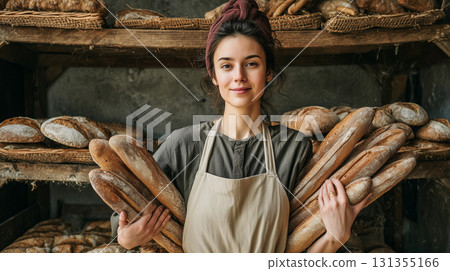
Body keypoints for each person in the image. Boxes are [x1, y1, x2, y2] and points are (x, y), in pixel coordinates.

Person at [112, 0, 370, 253]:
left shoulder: (294, 148)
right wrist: (125, 238)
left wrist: (338, 236)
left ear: (268, 72)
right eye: (226, 65)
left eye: (251, 63)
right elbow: (128, 214)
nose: (239, 76)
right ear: (213, 75)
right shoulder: (183, 146)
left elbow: (297, 253)